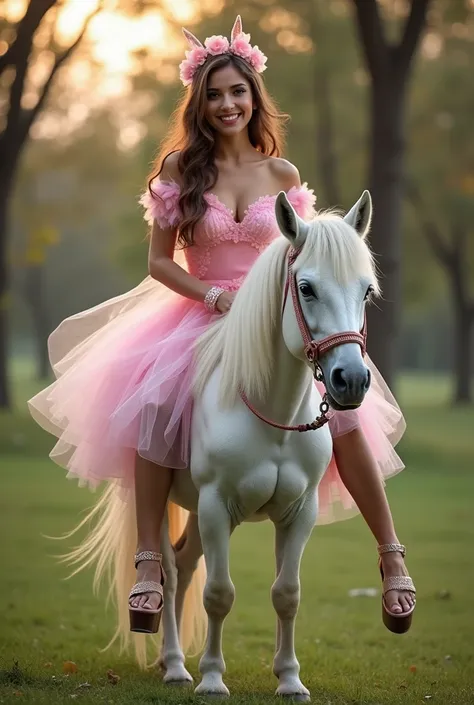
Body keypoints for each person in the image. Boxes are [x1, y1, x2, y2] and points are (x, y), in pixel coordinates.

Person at [28, 16, 415, 642]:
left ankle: (391, 553)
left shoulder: (282, 175)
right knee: (154, 401)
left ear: (254, 96)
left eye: (238, 92)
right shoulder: (181, 170)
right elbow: (156, 262)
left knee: (345, 412)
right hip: (198, 312)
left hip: (267, 318)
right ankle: (150, 561)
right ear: (199, 103)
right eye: (214, 94)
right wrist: (209, 293)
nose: (227, 104)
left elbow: (304, 253)